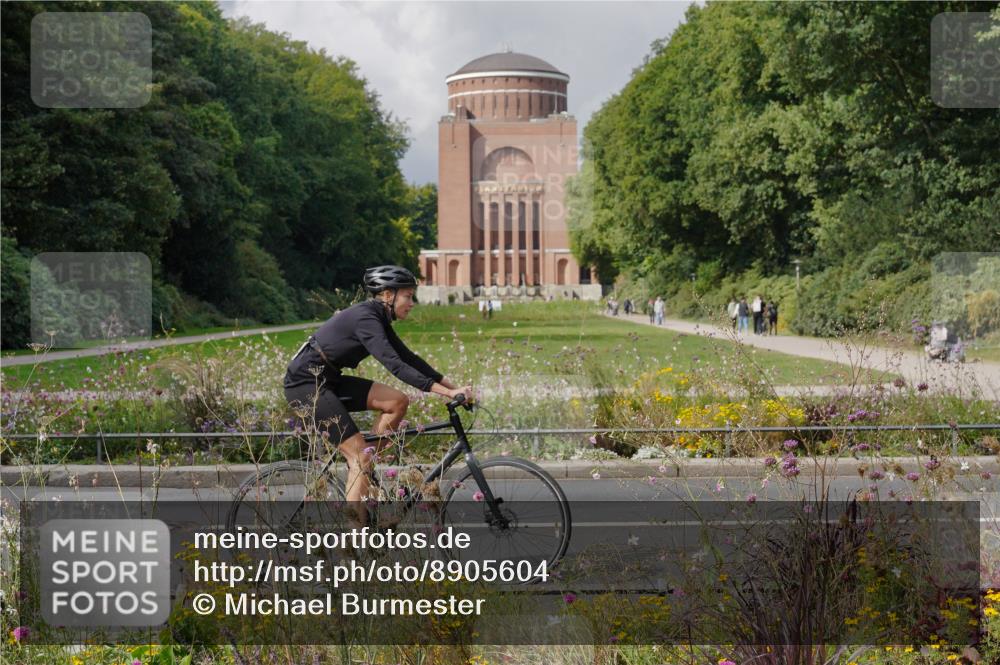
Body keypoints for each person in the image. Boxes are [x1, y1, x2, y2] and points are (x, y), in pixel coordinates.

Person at [283, 265, 472, 525]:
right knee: (358, 455)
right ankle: (354, 541)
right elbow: (394, 365)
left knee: (396, 402)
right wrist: (446, 393)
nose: (412, 302)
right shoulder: (366, 319)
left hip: (329, 379)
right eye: (408, 296)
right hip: (306, 384)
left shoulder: (378, 317)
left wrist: (453, 388)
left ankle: (363, 467)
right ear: (386, 295)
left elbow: (408, 358)